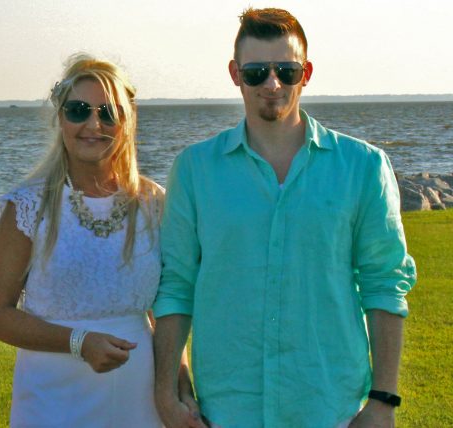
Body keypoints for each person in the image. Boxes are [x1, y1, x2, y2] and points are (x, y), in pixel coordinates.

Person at [153, 7, 417, 428]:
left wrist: (382, 402)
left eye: (286, 70)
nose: (272, 84)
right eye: (256, 71)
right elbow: (176, 288)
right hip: (226, 410)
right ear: (235, 74)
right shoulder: (194, 169)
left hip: (331, 406)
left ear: (306, 72)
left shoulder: (363, 166)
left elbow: (385, 283)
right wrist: (166, 393)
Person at [0, 54, 195, 427]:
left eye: (108, 113)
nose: (93, 124)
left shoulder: (154, 204)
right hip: (52, 400)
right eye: (79, 110)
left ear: (126, 122)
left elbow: (166, 312)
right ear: (60, 117)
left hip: (138, 400)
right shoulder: (29, 206)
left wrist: (180, 389)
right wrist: (79, 342)